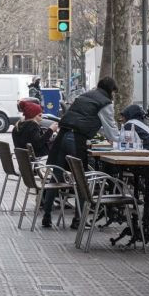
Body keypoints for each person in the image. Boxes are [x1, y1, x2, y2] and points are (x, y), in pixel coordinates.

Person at [42, 76, 121, 229]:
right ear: (110, 90)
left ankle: (46, 216)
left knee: (56, 176)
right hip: (76, 139)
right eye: (114, 92)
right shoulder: (105, 103)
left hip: (62, 135)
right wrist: (119, 140)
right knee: (81, 179)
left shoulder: (84, 96)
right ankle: (78, 219)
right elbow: (110, 128)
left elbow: (83, 117)